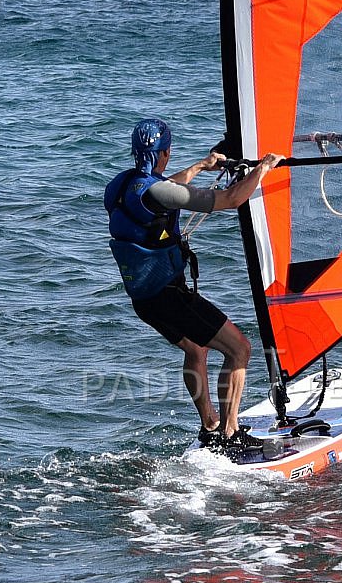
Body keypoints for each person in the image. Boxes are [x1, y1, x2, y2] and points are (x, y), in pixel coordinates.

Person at [104, 119, 283, 453]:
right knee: (239, 349)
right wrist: (263, 169)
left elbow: (162, 190)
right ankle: (231, 436)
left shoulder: (120, 186)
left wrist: (202, 165)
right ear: (166, 152)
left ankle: (210, 426)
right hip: (170, 295)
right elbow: (231, 199)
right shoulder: (159, 190)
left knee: (196, 349)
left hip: (144, 299)